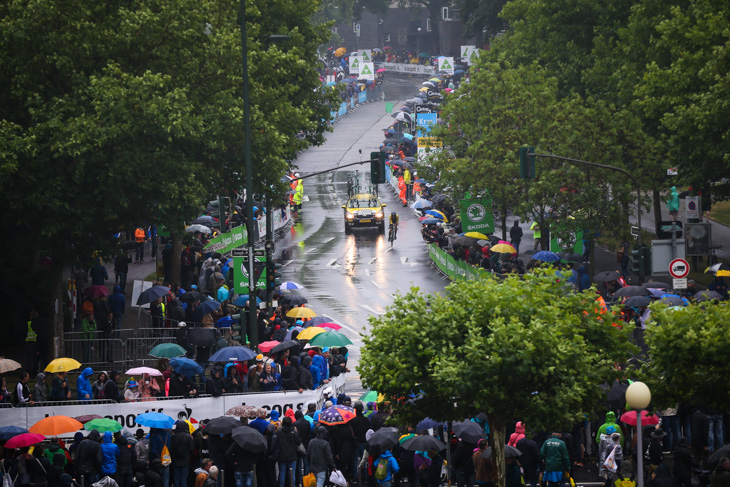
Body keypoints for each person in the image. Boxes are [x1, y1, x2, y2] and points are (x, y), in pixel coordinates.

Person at [272, 416, 302, 487]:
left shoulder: (279, 433)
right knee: (292, 474)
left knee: (282, 473)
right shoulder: (294, 433)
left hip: (282, 456)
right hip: (292, 456)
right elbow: (298, 442)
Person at [170, 421, 194, 487]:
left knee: (176, 479)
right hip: (185, 460)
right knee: (184, 478)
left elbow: (170, 449)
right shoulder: (188, 437)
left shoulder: (172, 437)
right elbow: (191, 448)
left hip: (175, 460)